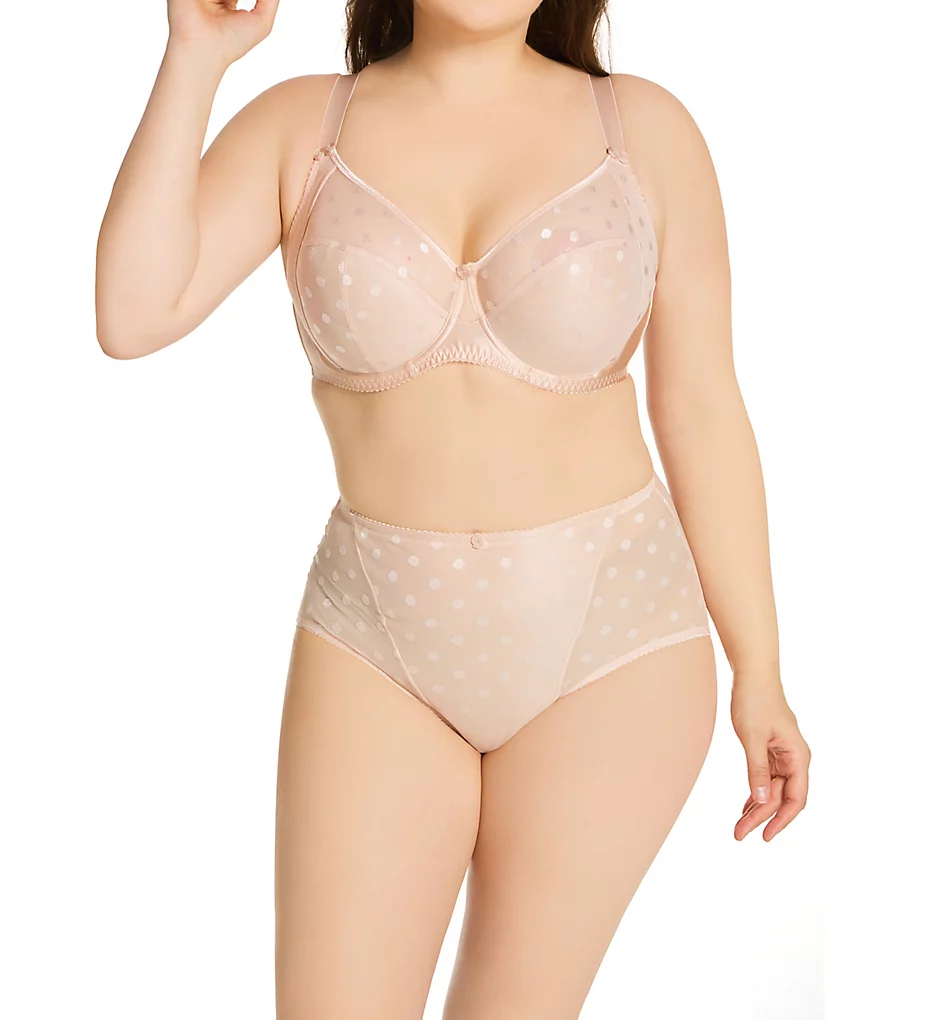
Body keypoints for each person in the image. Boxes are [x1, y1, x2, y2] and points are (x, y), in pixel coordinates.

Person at [95, 0, 812, 1016]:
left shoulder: (643, 130)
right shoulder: (304, 127)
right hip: (377, 642)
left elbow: (700, 409)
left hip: (612, 645)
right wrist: (193, 59)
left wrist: (760, 671)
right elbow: (132, 314)